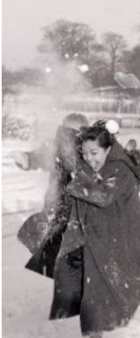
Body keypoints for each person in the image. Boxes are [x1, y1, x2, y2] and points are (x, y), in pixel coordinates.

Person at [50, 121, 140, 338]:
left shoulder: (120, 168)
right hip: (99, 238)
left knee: (125, 285)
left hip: (126, 238)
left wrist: (76, 184)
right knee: (94, 292)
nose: (90, 158)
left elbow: (103, 196)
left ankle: (123, 333)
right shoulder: (91, 166)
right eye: (85, 153)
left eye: (95, 153)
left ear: (108, 149)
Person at [16, 113, 89, 278]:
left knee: (62, 240)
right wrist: (27, 159)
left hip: (75, 203)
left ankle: (56, 273)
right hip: (60, 201)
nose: (73, 136)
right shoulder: (56, 145)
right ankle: (54, 274)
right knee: (55, 238)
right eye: (70, 132)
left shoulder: (87, 146)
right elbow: (39, 156)